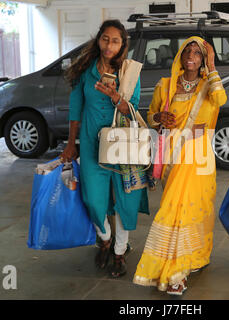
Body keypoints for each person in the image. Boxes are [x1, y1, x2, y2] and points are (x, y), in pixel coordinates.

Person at [133, 36, 227, 295]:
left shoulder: (209, 84)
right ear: (180, 56)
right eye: (189, 51)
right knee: (174, 211)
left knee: (196, 210)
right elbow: (151, 117)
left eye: (198, 53)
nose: (192, 56)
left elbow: (220, 100)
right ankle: (175, 266)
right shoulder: (166, 85)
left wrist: (212, 64)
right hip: (173, 155)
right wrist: (159, 117)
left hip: (200, 154)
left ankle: (187, 262)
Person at [61, 20, 149, 278]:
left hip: (122, 144)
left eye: (115, 40)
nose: (109, 45)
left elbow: (132, 111)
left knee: (124, 198)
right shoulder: (85, 70)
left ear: (123, 45)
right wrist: (70, 143)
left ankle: (120, 252)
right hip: (90, 142)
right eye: (105, 39)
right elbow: (76, 110)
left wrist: (115, 96)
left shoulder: (130, 71)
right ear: (99, 39)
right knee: (93, 199)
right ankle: (105, 239)